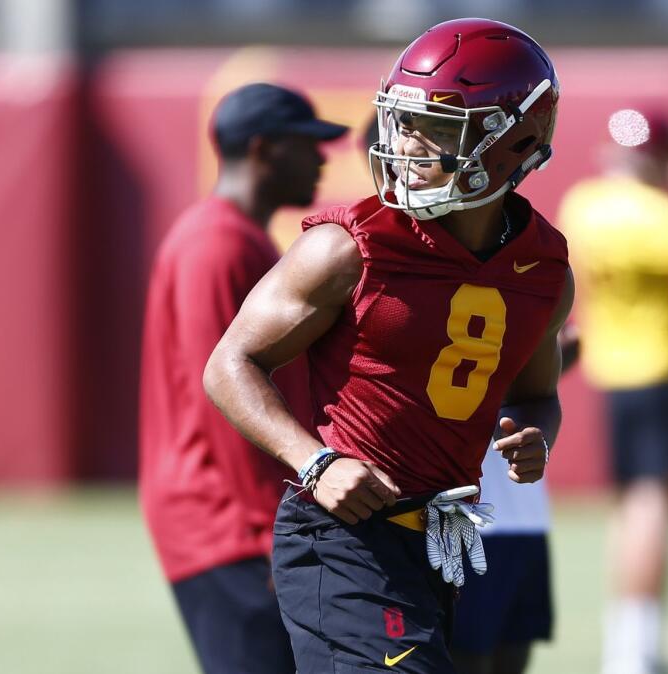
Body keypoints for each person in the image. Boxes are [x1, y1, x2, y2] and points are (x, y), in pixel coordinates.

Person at [203, 18, 571, 674]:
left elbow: (537, 395)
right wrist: (314, 462)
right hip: (341, 537)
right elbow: (231, 363)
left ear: (517, 143)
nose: (407, 143)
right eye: (404, 120)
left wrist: (534, 436)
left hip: (440, 542)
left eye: (438, 127)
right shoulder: (347, 246)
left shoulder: (543, 270)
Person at [138, 82, 347, 674]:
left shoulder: (236, 237)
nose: (322, 158)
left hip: (232, 521)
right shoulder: (217, 242)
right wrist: (271, 535)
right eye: (307, 144)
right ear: (265, 149)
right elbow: (224, 395)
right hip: (229, 524)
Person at [559, 108, 668, 674]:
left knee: (626, 506)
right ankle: (637, 642)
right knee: (652, 506)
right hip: (658, 368)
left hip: (610, 368)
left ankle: (626, 633)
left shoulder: (585, 205)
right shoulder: (660, 214)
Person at [451, 325, 580, 674]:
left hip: (524, 518)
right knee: (465, 659)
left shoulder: (529, 281)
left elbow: (567, 343)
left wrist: (548, 349)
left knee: (512, 657)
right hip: (464, 521)